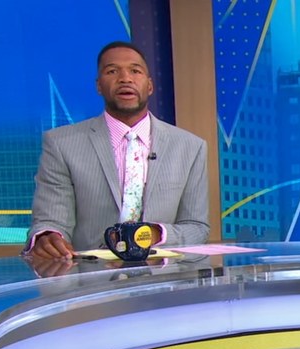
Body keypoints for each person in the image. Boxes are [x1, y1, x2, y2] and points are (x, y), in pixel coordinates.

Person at [25, 41, 209, 259]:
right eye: (112, 71)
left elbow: (197, 228)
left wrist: (155, 234)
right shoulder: (61, 144)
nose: (125, 78)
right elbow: (51, 220)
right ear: (99, 86)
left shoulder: (190, 147)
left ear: (149, 85)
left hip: (163, 279)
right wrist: (48, 237)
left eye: (135, 71)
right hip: (91, 281)